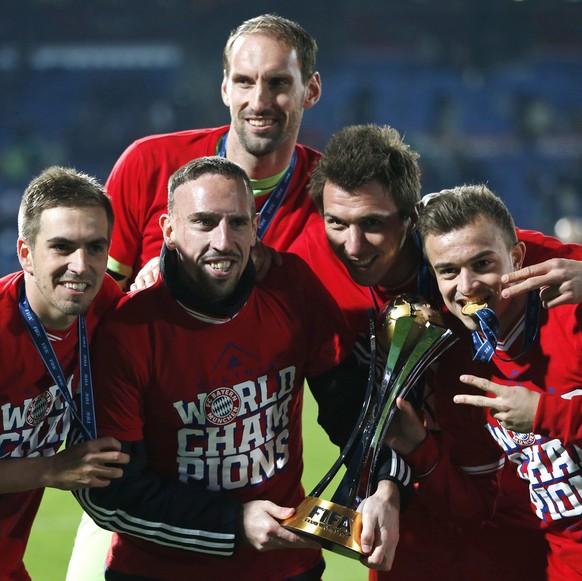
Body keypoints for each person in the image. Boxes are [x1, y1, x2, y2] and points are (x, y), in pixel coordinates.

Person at [73, 156, 408, 581]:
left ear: (255, 229)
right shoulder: (128, 330)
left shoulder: (292, 288)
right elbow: (109, 495)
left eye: (237, 223)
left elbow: (351, 409)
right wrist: (233, 522)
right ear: (169, 231)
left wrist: (384, 485)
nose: (222, 240)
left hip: (287, 570)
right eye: (204, 222)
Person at [291, 123, 582, 581]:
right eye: (337, 223)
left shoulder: (469, 249)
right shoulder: (311, 268)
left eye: (373, 223)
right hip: (424, 509)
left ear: (409, 218)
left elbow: (522, 257)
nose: (352, 245)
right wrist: (388, 478)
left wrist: (548, 414)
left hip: (517, 519)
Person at [414, 184, 582, 580]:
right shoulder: (461, 369)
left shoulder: (571, 314)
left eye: (483, 264)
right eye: (448, 271)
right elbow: (473, 506)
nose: (467, 285)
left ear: (516, 256)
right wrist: (415, 446)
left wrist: (546, 414)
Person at [105, 13, 322, 290]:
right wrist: (168, 274)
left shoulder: (332, 194)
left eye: (278, 82)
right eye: (244, 81)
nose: (258, 102)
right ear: (225, 89)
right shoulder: (148, 163)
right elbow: (96, 302)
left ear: (311, 90)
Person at [0, 166, 130, 581]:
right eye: (61, 247)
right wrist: (51, 470)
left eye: (95, 247)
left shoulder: (104, 302)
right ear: (25, 253)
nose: (81, 265)